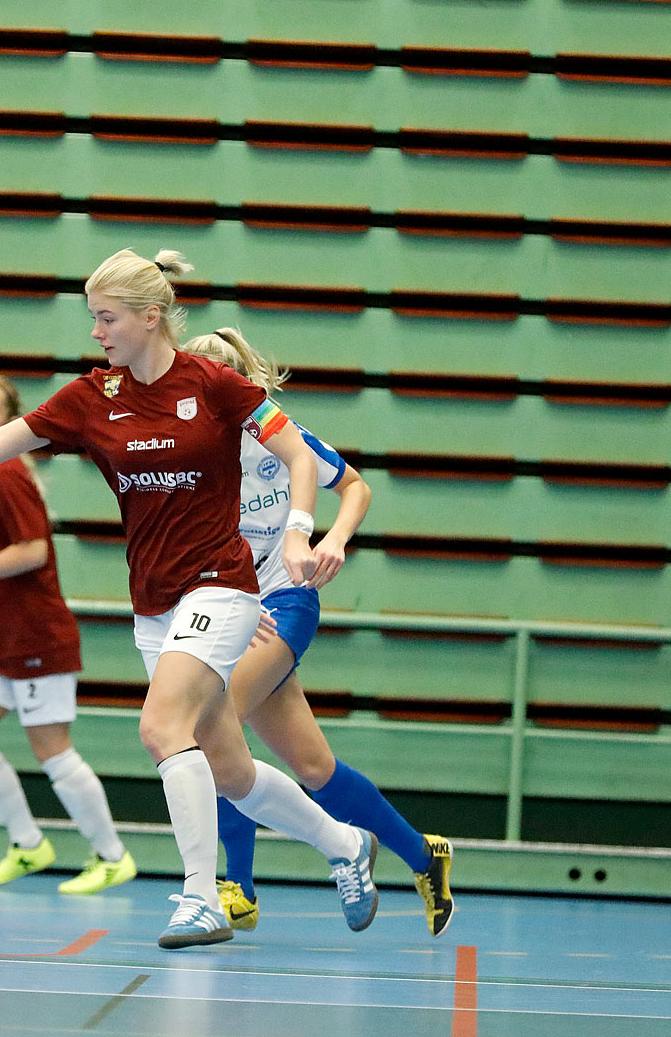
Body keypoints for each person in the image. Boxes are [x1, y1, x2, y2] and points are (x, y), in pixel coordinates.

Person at [0, 248, 379, 949]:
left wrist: (300, 532)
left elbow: (301, 455)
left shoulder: (214, 386)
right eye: (94, 318)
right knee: (230, 770)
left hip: (223, 586)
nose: (97, 332)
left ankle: (201, 897)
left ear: (151, 318)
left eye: (107, 317)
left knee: (159, 728)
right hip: (154, 603)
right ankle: (343, 844)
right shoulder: (94, 398)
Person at [182, 328, 456, 938]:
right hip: (232, 609)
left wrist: (329, 537)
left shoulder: (276, 435)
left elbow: (355, 486)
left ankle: (237, 889)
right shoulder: (183, 455)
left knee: (210, 725)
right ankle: (422, 855)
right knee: (314, 766)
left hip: (286, 604)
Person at [0, 373, 136, 895]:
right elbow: (8, 550)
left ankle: (113, 856)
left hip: (39, 638)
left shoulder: (5, 472)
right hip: (5, 641)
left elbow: (34, 552)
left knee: (52, 750)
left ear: (9, 420)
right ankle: (28, 845)